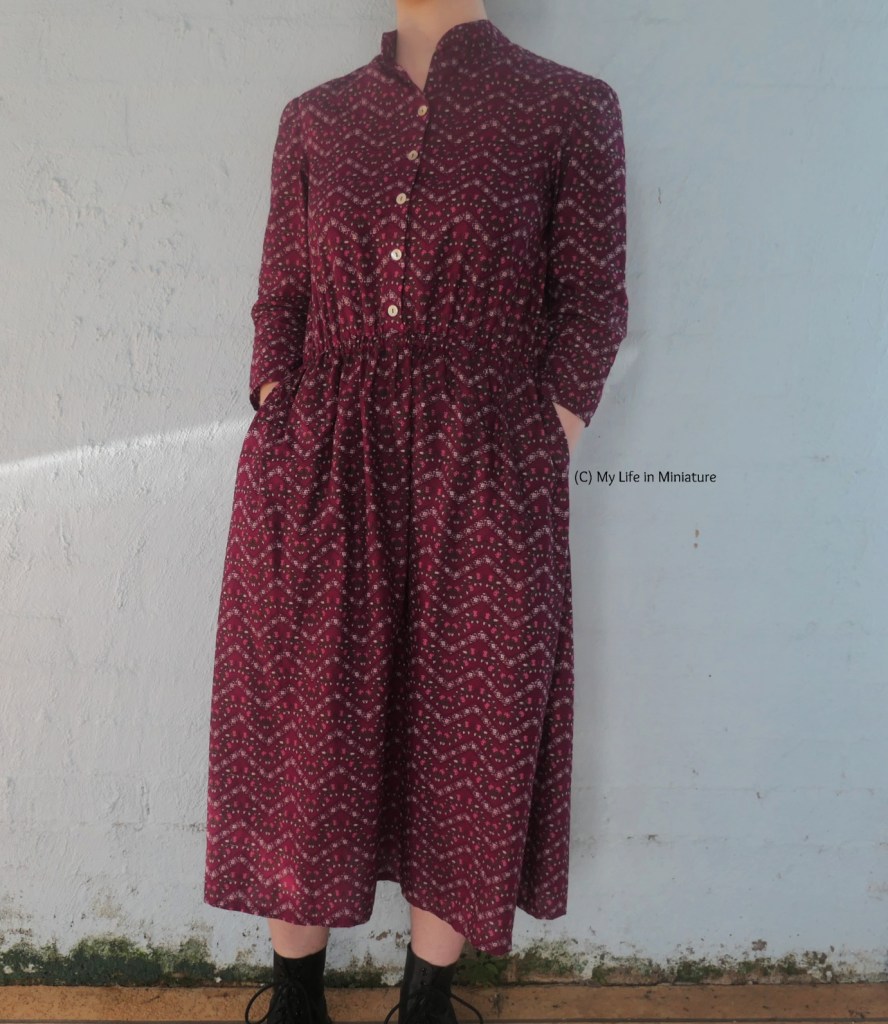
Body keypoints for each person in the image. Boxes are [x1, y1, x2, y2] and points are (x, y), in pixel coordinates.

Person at [203, 1, 629, 1021]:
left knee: (471, 718)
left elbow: (593, 299)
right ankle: (296, 995)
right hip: (320, 467)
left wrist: (541, 438)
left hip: (488, 467)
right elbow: (282, 299)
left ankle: (425, 1000)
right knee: (304, 724)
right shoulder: (317, 116)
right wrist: (279, 409)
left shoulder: (570, 107)